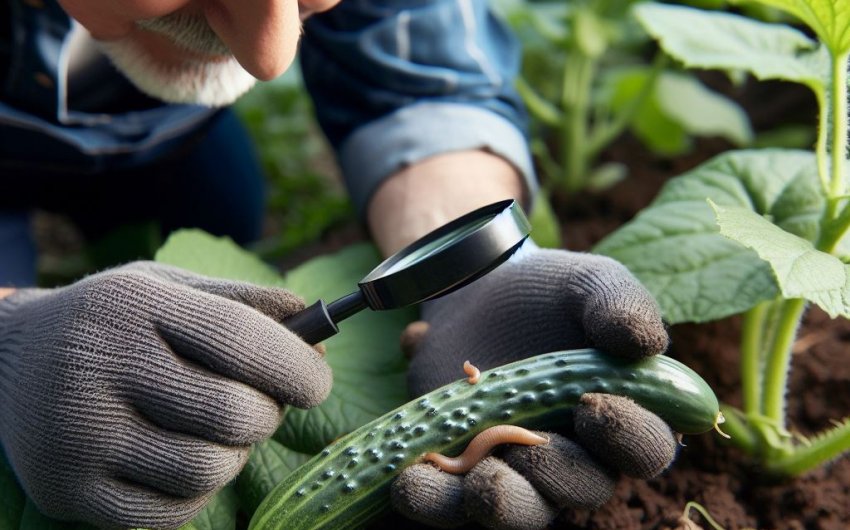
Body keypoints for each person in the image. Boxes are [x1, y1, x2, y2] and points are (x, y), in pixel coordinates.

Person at [0, 0, 678, 528]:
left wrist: (476, 280)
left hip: (156, 125)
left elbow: (421, 84)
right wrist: (8, 338)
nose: (269, 59)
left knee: (226, 206)